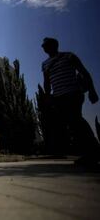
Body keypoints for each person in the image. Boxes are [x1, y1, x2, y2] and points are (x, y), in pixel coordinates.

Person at [41, 37, 99, 165]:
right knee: (72, 125)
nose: (43, 47)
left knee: (76, 119)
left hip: (73, 93)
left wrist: (92, 90)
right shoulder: (45, 64)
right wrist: (47, 96)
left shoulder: (69, 56)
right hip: (58, 97)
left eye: (45, 45)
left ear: (54, 45)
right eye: (43, 46)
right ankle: (89, 153)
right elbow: (46, 82)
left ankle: (94, 150)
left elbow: (84, 72)